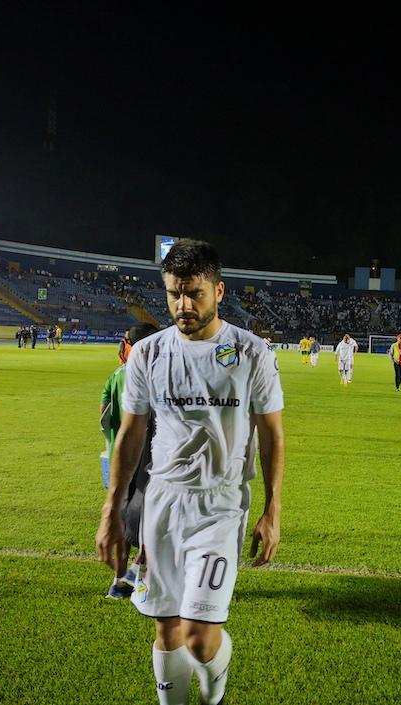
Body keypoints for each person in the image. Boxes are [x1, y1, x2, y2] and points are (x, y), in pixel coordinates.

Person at [96, 238, 284, 705]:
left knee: (200, 635)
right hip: (163, 501)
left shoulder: (251, 352)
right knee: (167, 630)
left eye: (194, 293)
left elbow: (273, 436)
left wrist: (272, 509)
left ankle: (213, 695)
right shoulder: (149, 354)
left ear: (218, 291)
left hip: (220, 504)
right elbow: (131, 436)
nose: (183, 305)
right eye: (174, 294)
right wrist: (112, 511)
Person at [100, 322, 159, 599]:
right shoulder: (162, 377)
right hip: (150, 461)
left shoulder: (117, 375)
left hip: (119, 460)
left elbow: (104, 417)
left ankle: (119, 581)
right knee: (152, 520)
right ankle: (141, 575)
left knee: (122, 520)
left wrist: (111, 445)